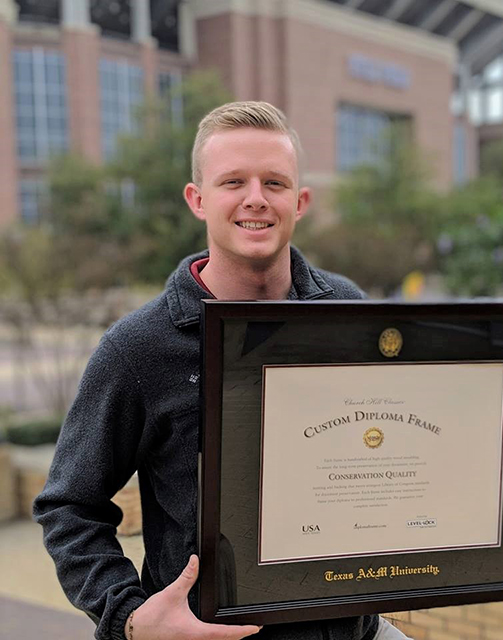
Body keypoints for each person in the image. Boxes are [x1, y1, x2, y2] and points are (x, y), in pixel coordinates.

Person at [34, 102, 399, 640]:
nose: (256, 197)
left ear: (299, 202)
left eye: (274, 182)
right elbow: (68, 505)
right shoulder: (137, 349)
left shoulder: (348, 310)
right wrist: (131, 618)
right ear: (198, 199)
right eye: (233, 181)